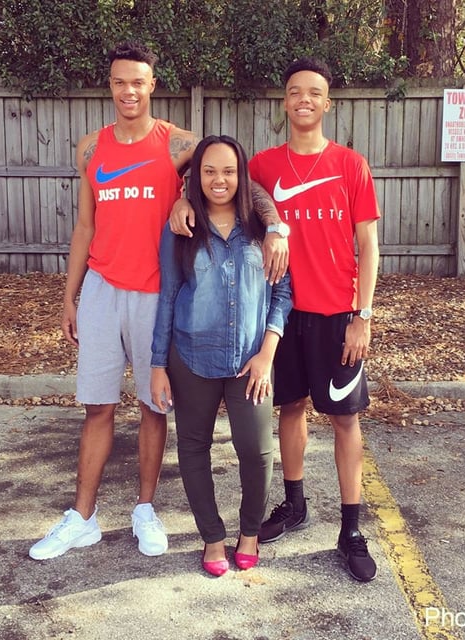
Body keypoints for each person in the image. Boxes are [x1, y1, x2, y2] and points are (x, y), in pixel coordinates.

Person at [29, 42, 288, 561]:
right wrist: (70, 295)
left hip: (157, 289)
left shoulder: (178, 143)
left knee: (153, 407)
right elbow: (84, 226)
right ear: (110, 85)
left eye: (139, 81)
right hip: (103, 286)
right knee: (97, 406)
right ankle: (82, 517)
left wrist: (275, 225)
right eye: (120, 81)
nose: (129, 90)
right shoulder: (90, 149)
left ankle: (144, 510)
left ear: (152, 85)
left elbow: (237, 177)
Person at [169, 57, 381, 582]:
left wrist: (364, 314)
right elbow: (226, 183)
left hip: (335, 312)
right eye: (294, 92)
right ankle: (294, 503)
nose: (303, 100)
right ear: (283, 102)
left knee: (344, 419)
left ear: (327, 103)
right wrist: (180, 198)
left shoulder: (351, 164)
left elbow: (369, 245)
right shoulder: (263, 163)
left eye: (314, 92)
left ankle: (351, 530)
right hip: (279, 316)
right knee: (289, 408)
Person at [150, 135, 292, 576]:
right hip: (191, 357)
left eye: (228, 171)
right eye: (209, 171)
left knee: (257, 450)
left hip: (252, 360)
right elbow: (168, 297)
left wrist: (267, 352)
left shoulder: (263, 232)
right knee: (194, 448)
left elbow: (282, 292)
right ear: (196, 178)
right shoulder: (181, 230)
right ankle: (212, 538)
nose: (219, 180)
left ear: (242, 176)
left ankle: (249, 534)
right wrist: (157, 364)